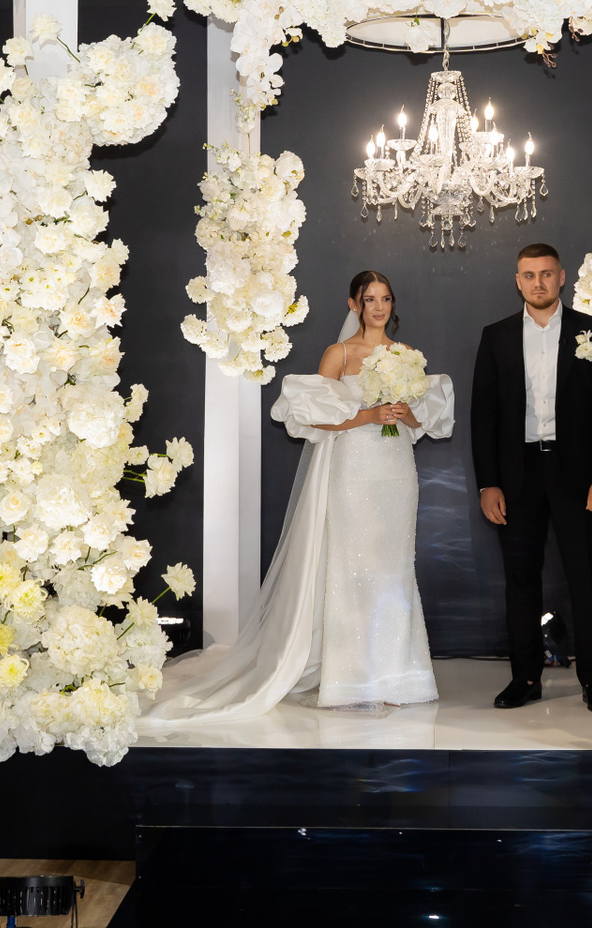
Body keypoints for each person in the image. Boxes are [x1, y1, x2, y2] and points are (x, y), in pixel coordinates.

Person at [147, 270, 453, 723]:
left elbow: (421, 423)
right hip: (354, 467)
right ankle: (350, 678)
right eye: (370, 299)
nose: (379, 307)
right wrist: (367, 415)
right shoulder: (339, 354)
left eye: (386, 299)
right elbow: (313, 417)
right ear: (354, 304)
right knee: (352, 565)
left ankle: (399, 676)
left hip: (396, 470)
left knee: (394, 567)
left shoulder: (405, 355)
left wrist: (406, 413)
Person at [470, 244, 592, 714]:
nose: (537, 282)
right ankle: (525, 678)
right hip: (517, 475)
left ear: (562, 277)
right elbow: (484, 416)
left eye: (546, 274)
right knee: (520, 580)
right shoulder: (496, 336)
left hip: (577, 475)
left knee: (586, 578)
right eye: (528, 275)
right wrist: (488, 483)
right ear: (517, 281)